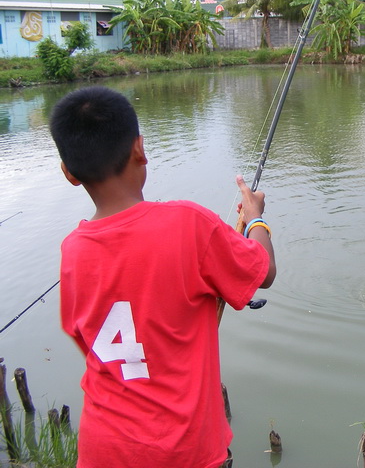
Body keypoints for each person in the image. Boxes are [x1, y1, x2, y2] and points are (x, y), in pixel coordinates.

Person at [50, 86, 276, 468]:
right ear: (140, 148)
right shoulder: (188, 223)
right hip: (185, 451)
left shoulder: (72, 250)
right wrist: (255, 218)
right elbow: (263, 271)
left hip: (103, 449)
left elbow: (86, 339)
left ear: (69, 173)